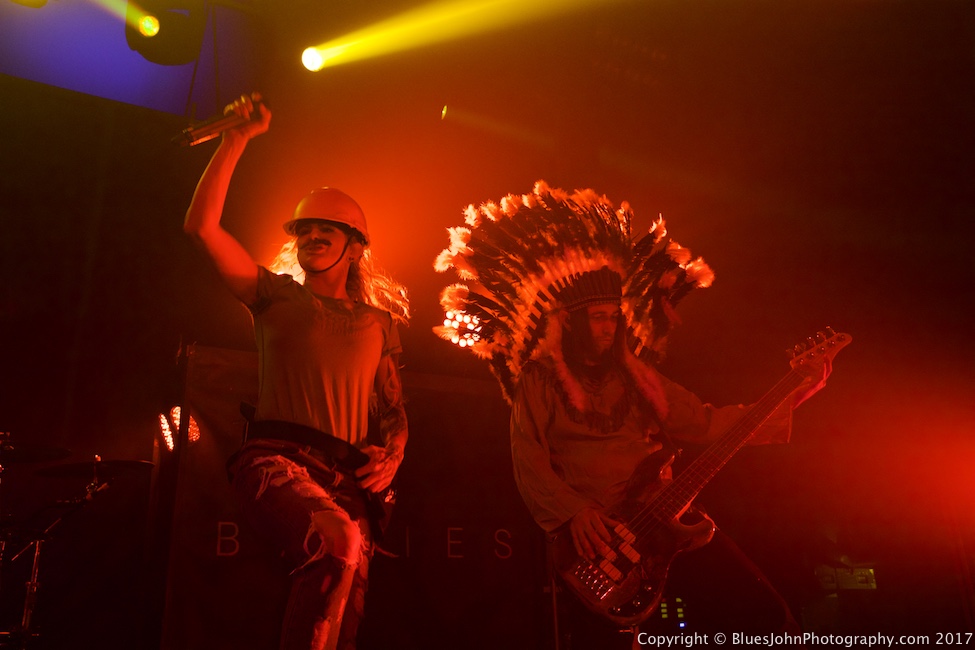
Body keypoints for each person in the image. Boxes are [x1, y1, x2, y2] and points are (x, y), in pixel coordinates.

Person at [433, 182, 832, 648]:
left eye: (614, 317)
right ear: (574, 322)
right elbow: (528, 458)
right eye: (599, 317)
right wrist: (573, 512)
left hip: (665, 512)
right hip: (594, 539)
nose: (609, 327)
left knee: (764, 611)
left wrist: (798, 392)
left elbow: (707, 424)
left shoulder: (639, 378)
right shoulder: (539, 380)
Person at [183, 93, 410, 650]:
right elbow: (202, 227)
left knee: (344, 618)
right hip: (276, 460)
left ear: (355, 248)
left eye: (326, 228)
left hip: (350, 480)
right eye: (304, 228)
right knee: (336, 543)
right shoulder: (272, 295)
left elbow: (394, 408)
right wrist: (236, 139)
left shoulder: (379, 323)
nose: (312, 235)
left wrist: (395, 452)